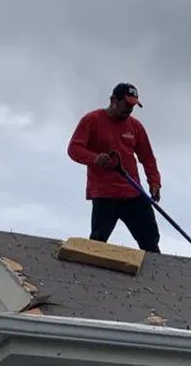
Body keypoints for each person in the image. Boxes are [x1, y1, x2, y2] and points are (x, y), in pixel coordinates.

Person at [67, 82, 163, 252]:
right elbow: (74, 149)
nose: (129, 110)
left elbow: (147, 158)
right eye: (126, 104)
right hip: (104, 194)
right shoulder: (92, 120)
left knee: (150, 241)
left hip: (133, 192)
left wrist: (154, 182)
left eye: (133, 106)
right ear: (113, 100)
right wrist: (95, 158)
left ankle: (157, 275)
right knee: (97, 243)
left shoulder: (135, 127)